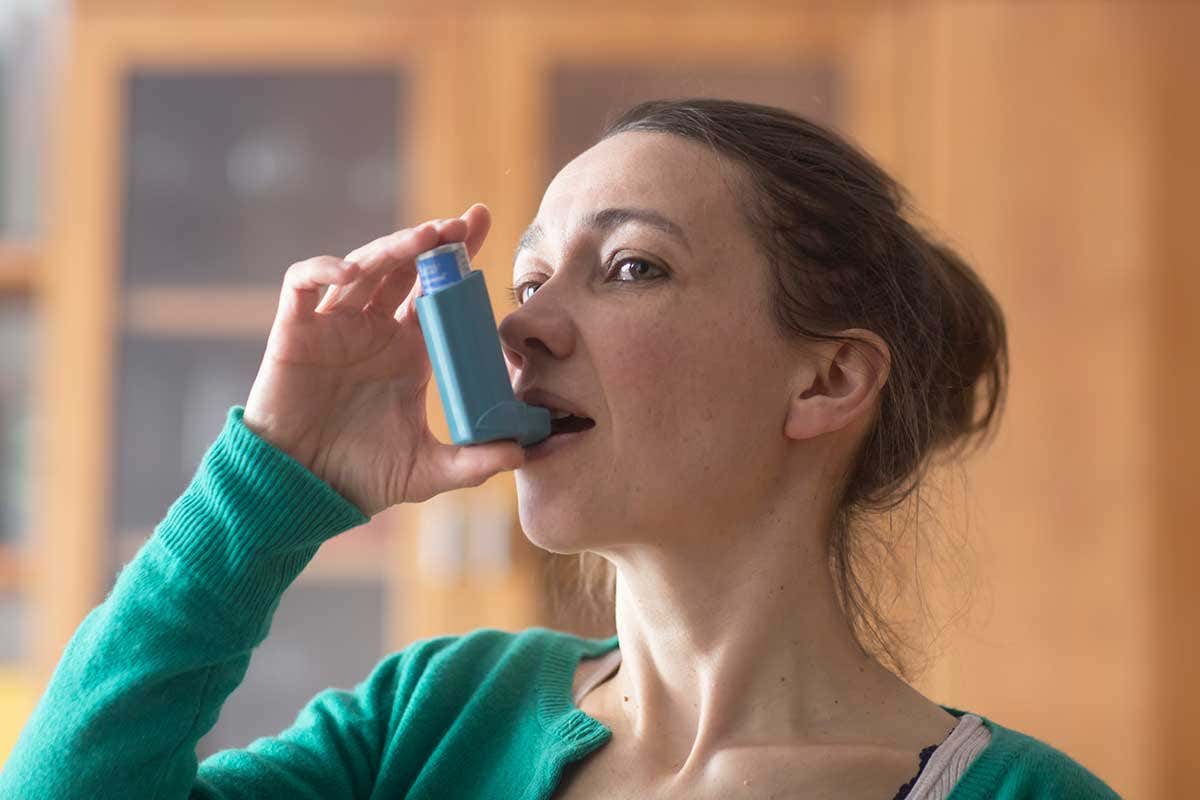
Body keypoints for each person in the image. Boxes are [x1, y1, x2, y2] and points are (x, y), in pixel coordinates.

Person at [0, 98, 1120, 799]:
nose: (520, 323)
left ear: (825, 379)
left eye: (631, 267)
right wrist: (272, 478)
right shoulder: (432, 719)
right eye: (528, 276)